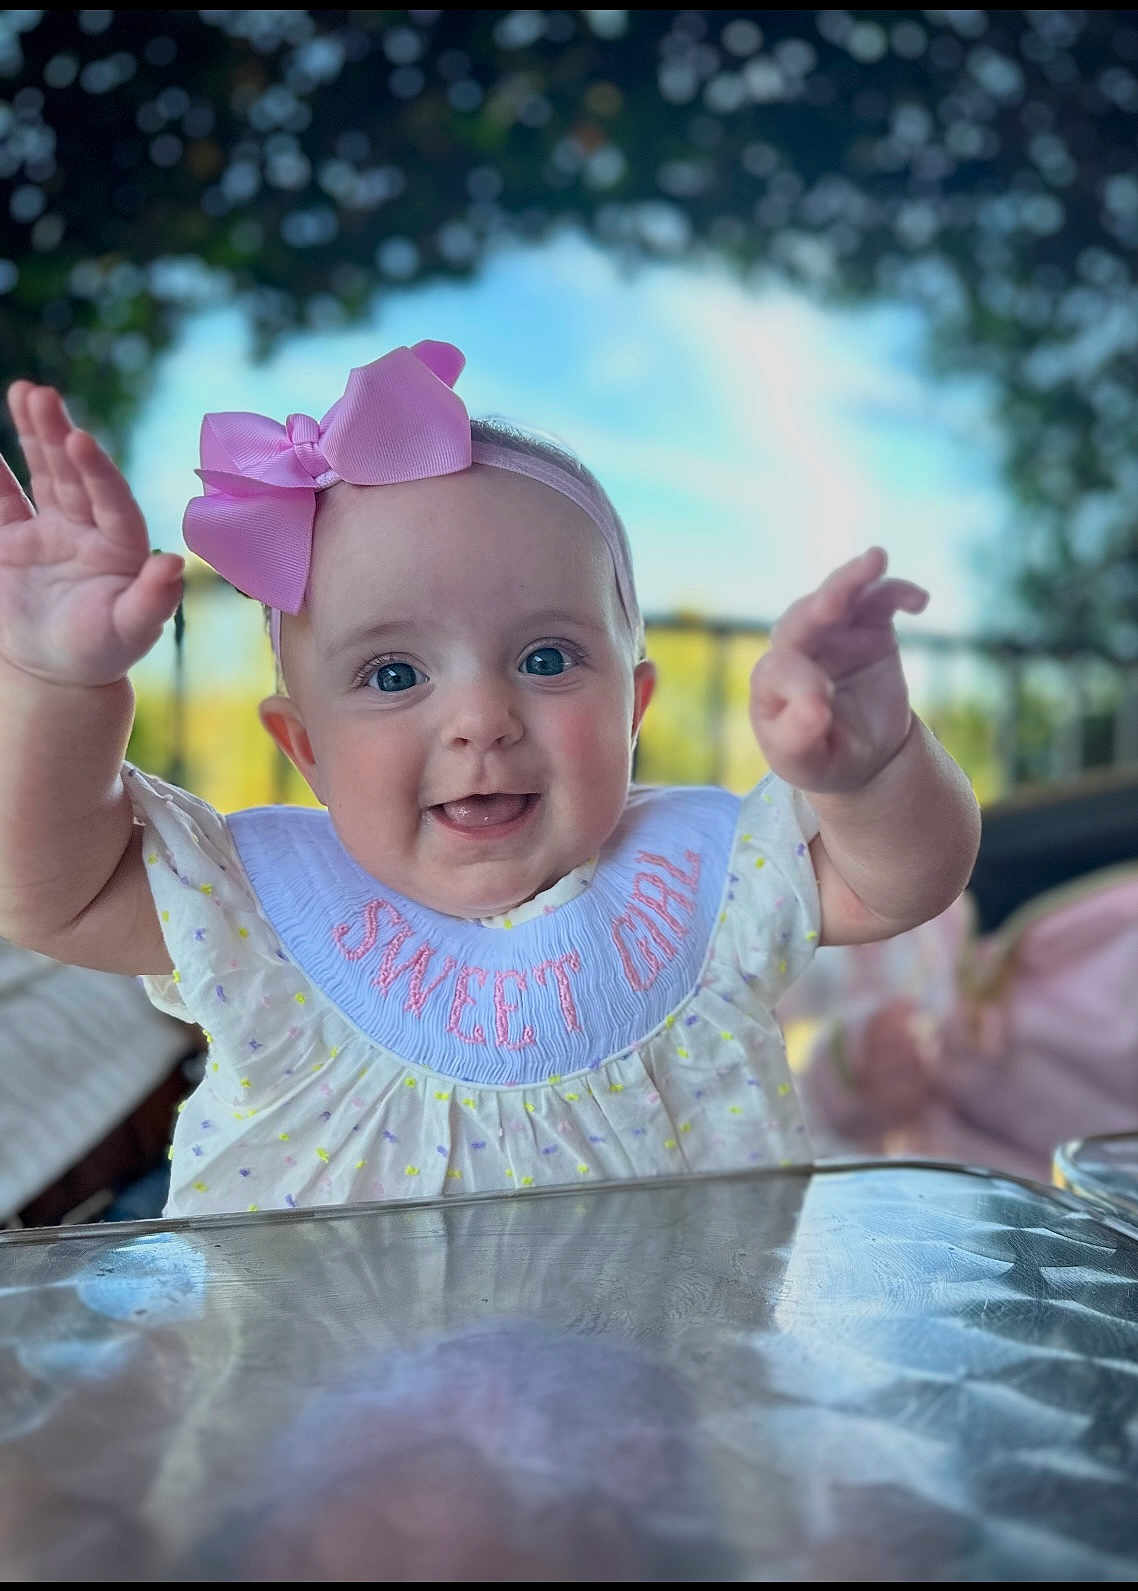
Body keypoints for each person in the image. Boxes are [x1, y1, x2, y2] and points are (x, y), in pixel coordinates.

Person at [0, 340, 980, 1218]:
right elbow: (51, 891)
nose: (481, 718)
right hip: (323, 1365)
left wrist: (876, 764)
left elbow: (901, 882)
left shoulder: (697, 876)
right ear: (305, 748)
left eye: (547, 659)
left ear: (631, 709)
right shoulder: (261, 905)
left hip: (662, 1356)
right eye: (394, 676)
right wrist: (59, 691)